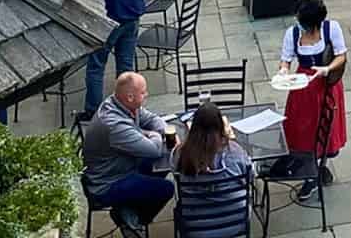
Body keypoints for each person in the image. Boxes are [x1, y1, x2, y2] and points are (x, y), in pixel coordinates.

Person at [82, 72, 175, 238]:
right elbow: (153, 149)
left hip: (123, 165)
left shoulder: (122, 103)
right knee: (166, 189)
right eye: (143, 92)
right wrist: (152, 135)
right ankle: (132, 219)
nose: (147, 95)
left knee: (165, 161)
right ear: (130, 96)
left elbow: (152, 119)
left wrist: (162, 131)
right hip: (108, 184)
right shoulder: (113, 124)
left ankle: (130, 207)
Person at [277, 0, 348, 200]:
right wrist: (283, 71)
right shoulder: (292, 34)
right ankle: (311, 171)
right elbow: (286, 60)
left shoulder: (331, 29)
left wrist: (327, 69)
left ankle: (318, 167)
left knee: (324, 128)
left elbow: (341, 55)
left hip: (325, 85)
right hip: (303, 88)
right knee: (302, 129)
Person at [82, 0, 147, 120]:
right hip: (131, 17)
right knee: (126, 68)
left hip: (108, 21)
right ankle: (127, 108)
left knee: (96, 66)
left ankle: (93, 112)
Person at [172, 101, 256, 238]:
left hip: (195, 227)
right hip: (235, 222)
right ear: (221, 127)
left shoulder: (180, 154)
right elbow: (251, 176)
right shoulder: (235, 152)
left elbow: (175, 174)